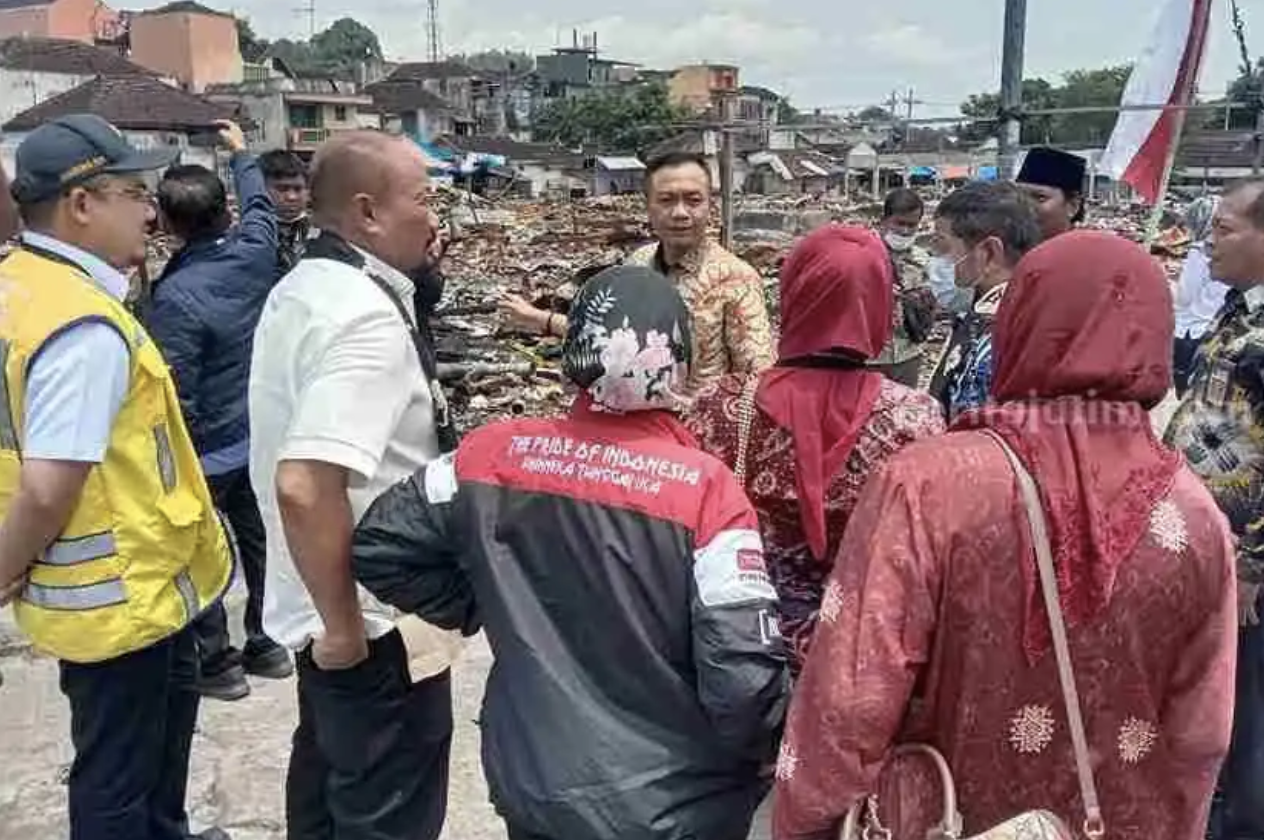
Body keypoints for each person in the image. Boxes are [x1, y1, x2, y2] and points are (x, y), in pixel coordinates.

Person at [774, 231, 1236, 840]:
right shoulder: (1197, 517)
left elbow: (850, 698)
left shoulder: (930, 484)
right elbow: (1201, 736)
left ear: (1022, 321)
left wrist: (803, 822)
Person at [353, 265, 790, 840]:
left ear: (573, 351)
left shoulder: (487, 456)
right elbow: (742, 682)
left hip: (535, 783)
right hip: (680, 803)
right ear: (679, 359)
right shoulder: (707, 492)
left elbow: (380, 543)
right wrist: (762, 755)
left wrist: (479, 599)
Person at [0, 114, 233, 840]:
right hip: (117, 596)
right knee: (118, 781)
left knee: (149, 764)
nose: (150, 211)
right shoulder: (81, 329)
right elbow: (47, 485)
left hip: (141, 587)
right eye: (134, 192)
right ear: (81, 205)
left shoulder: (21, 284)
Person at [248, 130, 453, 840]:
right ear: (366, 213)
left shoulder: (307, 286)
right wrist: (343, 626)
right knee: (386, 811)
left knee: (327, 799)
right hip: (374, 623)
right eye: (424, 199)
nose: (435, 216)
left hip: (324, 604)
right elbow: (305, 482)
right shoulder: (365, 316)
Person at [688, 226, 944, 672]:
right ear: (882, 305)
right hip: (859, 657)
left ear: (792, 296)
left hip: (743, 649)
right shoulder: (915, 418)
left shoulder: (719, 404)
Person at [145, 120, 290, 701]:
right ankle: (268, 642)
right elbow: (260, 205)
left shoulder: (176, 295)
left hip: (206, 450)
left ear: (169, 224)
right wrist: (240, 153)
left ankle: (218, 660)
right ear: (224, 212)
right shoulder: (256, 252)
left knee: (199, 549)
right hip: (256, 435)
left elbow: (178, 389)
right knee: (259, 545)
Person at [498, 151, 775, 392]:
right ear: (648, 207)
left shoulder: (735, 278)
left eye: (693, 200)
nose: (680, 213)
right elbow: (604, 335)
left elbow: (758, 378)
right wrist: (538, 318)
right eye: (666, 200)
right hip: (630, 432)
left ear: (710, 206)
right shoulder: (637, 264)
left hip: (695, 436)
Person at [1165, 177, 1264, 840]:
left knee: (1249, 720)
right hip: (1215, 549)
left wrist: (1256, 560)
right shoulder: (1239, 310)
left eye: (1225, 228)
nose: (1208, 239)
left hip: (1248, 566)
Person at [927, 181, 1042, 419]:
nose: (935, 260)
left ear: (988, 253)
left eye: (942, 245)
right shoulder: (999, 314)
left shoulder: (996, 341)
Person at [872, 188, 935, 387]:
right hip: (871, 358)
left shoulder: (922, 260)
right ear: (884, 221)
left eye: (912, 225)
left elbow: (933, 303)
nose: (906, 231)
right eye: (900, 223)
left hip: (909, 353)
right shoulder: (866, 256)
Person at [1173, 196, 1228, 396]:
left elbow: (1185, 296)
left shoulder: (1199, 250)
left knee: (1189, 391)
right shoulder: (1230, 252)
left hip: (1190, 330)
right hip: (1214, 330)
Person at [258, 149, 311, 277]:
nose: (291, 197)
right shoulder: (248, 234)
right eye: (282, 189)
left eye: (298, 189)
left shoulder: (320, 232)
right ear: (261, 188)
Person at [1015, 146, 1086, 240]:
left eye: (1040, 198)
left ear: (1073, 206)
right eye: (1019, 196)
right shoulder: (1006, 250)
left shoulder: (1087, 252)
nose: (1026, 207)